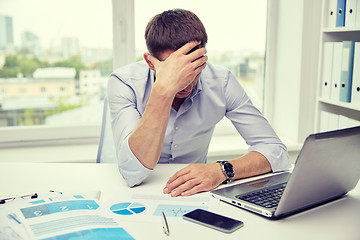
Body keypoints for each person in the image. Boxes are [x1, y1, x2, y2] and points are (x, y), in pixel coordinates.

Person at [107, 8, 290, 197]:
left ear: (203, 57)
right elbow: (132, 174)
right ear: (150, 62)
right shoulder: (124, 82)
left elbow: (276, 152)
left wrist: (221, 170)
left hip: (197, 192)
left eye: (193, 67)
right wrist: (163, 90)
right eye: (174, 69)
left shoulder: (221, 81)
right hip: (140, 191)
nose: (185, 81)